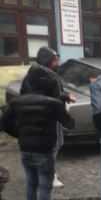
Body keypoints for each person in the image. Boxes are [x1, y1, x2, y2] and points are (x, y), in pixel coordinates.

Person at [1, 47, 75, 200]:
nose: (57, 63)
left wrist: (21, 133)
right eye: (55, 60)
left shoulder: (19, 99)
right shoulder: (49, 85)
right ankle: (52, 175)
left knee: (31, 182)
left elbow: (4, 124)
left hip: (26, 145)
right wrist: (62, 107)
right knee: (44, 186)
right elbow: (69, 123)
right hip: (45, 144)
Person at [21, 47, 75, 188]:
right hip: (49, 118)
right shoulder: (49, 75)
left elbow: (43, 94)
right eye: (55, 60)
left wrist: (65, 95)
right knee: (53, 146)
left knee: (45, 146)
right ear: (48, 61)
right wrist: (65, 99)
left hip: (35, 116)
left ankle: (39, 174)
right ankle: (49, 175)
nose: (58, 63)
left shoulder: (32, 73)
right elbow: (52, 97)